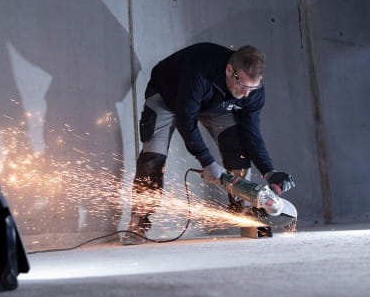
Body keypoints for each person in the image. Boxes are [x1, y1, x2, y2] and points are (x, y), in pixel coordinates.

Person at [122, 42, 295, 244]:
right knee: (153, 158)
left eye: (252, 87)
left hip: (216, 105)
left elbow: (251, 133)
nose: (247, 93)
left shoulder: (252, 91)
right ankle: (138, 220)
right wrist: (207, 162)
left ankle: (245, 210)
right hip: (167, 98)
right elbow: (185, 121)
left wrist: (269, 171)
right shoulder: (199, 71)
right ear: (229, 71)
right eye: (242, 85)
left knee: (238, 151)